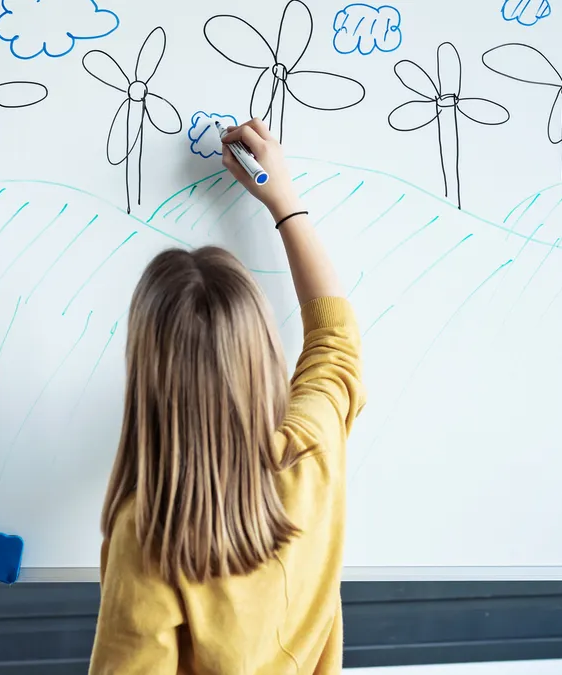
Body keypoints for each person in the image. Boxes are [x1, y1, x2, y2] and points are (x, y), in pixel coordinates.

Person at [89, 119, 366, 674]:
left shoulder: (151, 534)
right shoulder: (312, 455)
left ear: (147, 375)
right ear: (264, 353)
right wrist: (284, 201)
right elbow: (336, 343)